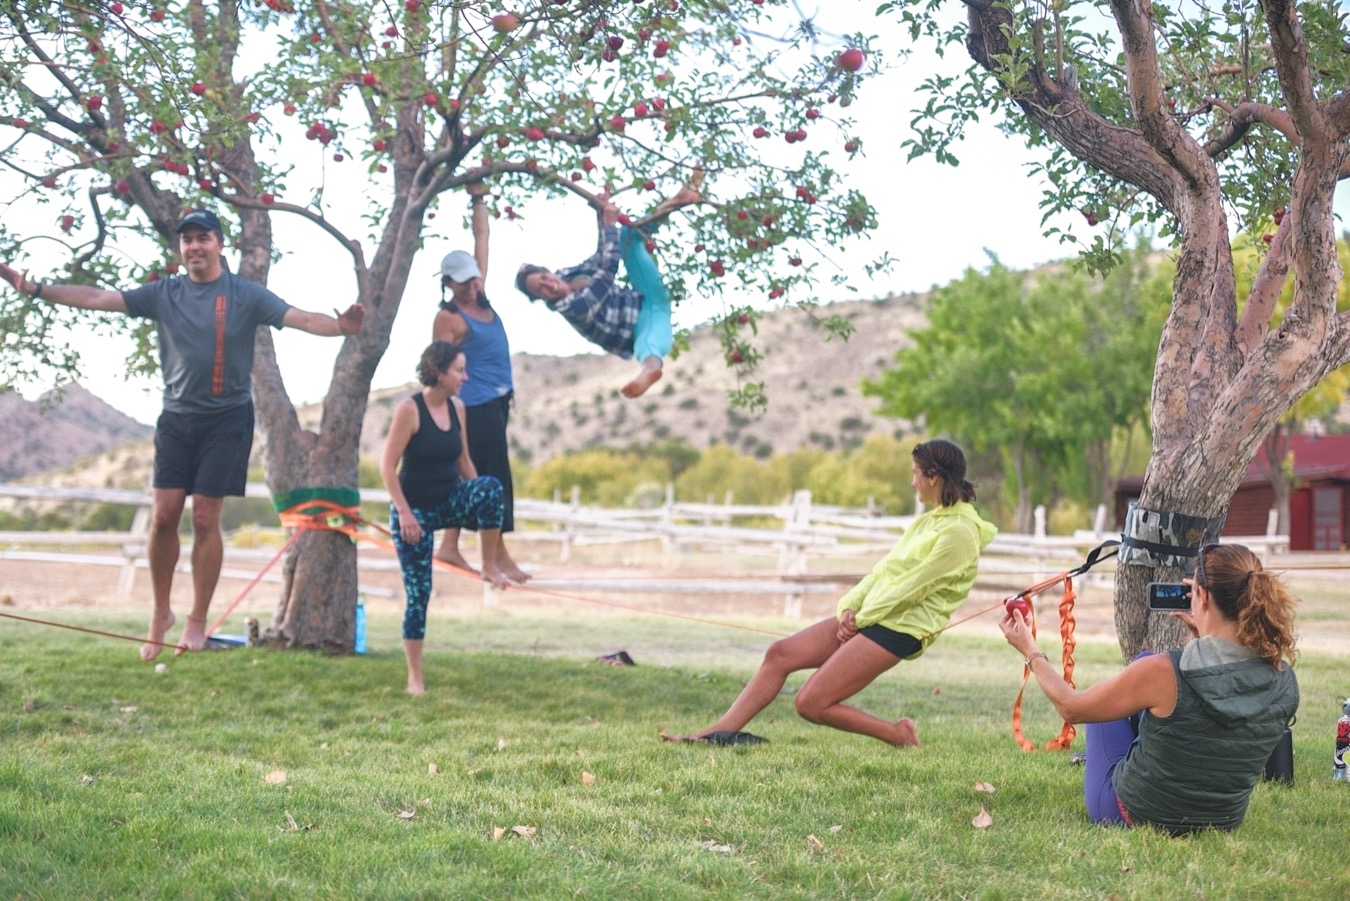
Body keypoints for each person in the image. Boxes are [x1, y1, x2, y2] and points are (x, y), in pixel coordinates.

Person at [0, 209, 364, 660]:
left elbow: (299, 318)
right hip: (176, 418)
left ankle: (197, 619)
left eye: (203, 238)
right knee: (163, 516)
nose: (194, 246)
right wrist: (32, 288)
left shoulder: (245, 295)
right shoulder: (164, 294)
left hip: (227, 419)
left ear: (219, 244)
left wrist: (341, 328)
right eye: (187, 239)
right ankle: (160, 612)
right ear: (181, 249)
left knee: (207, 519)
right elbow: (96, 298)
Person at [662, 439, 997, 747]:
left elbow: (914, 587)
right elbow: (885, 571)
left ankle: (899, 734)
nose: (912, 482)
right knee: (780, 653)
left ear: (933, 476)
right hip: (875, 615)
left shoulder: (960, 531)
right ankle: (718, 733)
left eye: (915, 474)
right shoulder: (929, 522)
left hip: (901, 628)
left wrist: (862, 620)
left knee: (810, 703)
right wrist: (849, 608)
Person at [999, 542, 1299, 834]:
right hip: (1222, 820)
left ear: (1203, 598)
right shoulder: (1284, 681)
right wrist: (1204, 640)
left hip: (1133, 813)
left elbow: (1071, 708)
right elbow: (1223, 710)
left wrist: (1030, 650)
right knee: (1145, 671)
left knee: (1122, 689)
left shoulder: (1162, 672)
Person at [380, 341, 510, 695]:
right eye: (459, 370)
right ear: (439, 372)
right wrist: (405, 513)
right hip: (414, 511)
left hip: (448, 500)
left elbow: (464, 462)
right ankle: (414, 677)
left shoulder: (457, 407)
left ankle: (487, 565)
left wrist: (481, 496)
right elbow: (386, 468)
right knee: (420, 594)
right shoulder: (411, 409)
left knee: (491, 487)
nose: (465, 377)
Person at [514, 174, 702, 399]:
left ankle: (680, 199)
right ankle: (650, 370)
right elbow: (606, 274)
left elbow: (601, 256)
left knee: (628, 237)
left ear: (548, 271)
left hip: (644, 297)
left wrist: (601, 214)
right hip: (646, 321)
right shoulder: (572, 308)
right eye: (539, 289)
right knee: (648, 346)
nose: (548, 285)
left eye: (543, 277)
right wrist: (609, 224)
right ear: (541, 299)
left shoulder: (567, 274)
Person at [431, 185, 530, 583]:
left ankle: (451, 547)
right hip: (473, 406)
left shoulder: (481, 297)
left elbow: (482, 237)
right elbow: (436, 365)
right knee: (491, 480)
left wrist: (478, 199)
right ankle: (498, 559)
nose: (471, 284)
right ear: (449, 284)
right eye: (463, 281)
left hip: (496, 403)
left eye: (473, 277)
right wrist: (443, 408)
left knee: (469, 477)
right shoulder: (449, 317)